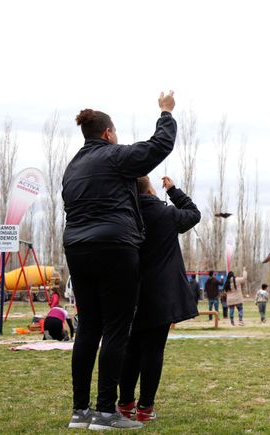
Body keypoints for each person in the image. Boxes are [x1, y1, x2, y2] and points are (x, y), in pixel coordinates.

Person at [63, 91, 176, 430]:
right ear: (108, 133)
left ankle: (80, 411)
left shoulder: (72, 168)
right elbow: (159, 146)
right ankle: (105, 412)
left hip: (76, 249)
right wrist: (166, 112)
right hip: (114, 247)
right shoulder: (114, 156)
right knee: (116, 329)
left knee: (88, 328)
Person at [117, 175, 200, 423]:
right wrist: (173, 191)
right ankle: (145, 408)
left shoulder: (124, 215)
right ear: (150, 189)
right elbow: (193, 214)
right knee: (153, 352)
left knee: (130, 350)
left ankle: (125, 404)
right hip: (162, 295)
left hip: (130, 294)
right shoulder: (166, 215)